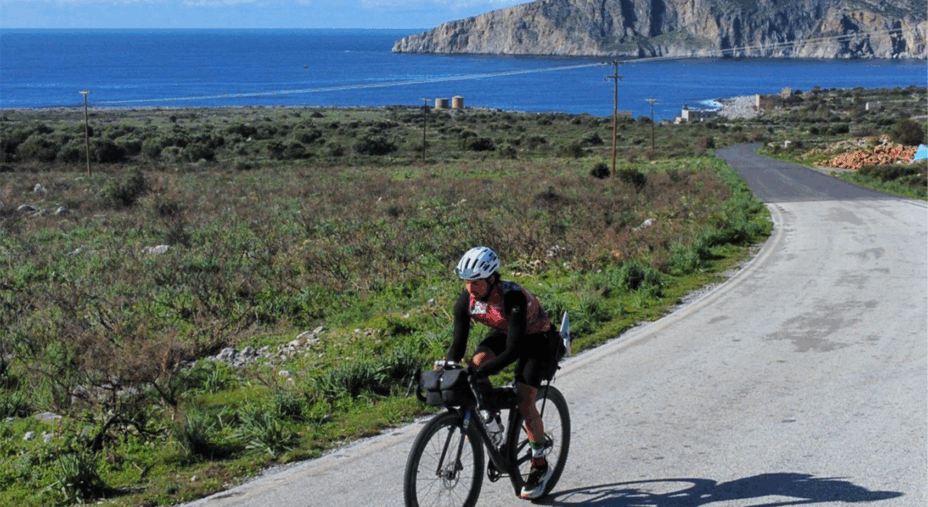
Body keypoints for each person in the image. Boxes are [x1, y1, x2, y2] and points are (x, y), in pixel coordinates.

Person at [443, 246, 560, 500]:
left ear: (492, 278)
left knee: (525, 398)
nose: (470, 289)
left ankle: (540, 464)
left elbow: (514, 350)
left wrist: (480, 372)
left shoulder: (513, 298)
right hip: (503, 335)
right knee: (472, 364)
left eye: (476, 282)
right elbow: (458, 345)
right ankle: (491, 414)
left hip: (536, 339)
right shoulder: (466, 300)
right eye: (466, 282)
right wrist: (450, 364)